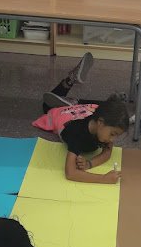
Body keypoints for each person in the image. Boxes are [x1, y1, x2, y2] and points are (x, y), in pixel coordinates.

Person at [32, 53, 129, 184]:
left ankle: (73, 96)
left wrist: (89, 164)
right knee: (47, 106)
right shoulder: (77, 134)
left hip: (85, 111)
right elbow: (70, 173)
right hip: (65, 118)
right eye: (113, 134)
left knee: (98, 108)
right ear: (100, 122)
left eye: (116, 136)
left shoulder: (104, 127)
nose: (112, 140)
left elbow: (107, 152)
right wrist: (104, 179)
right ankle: (70, 94)